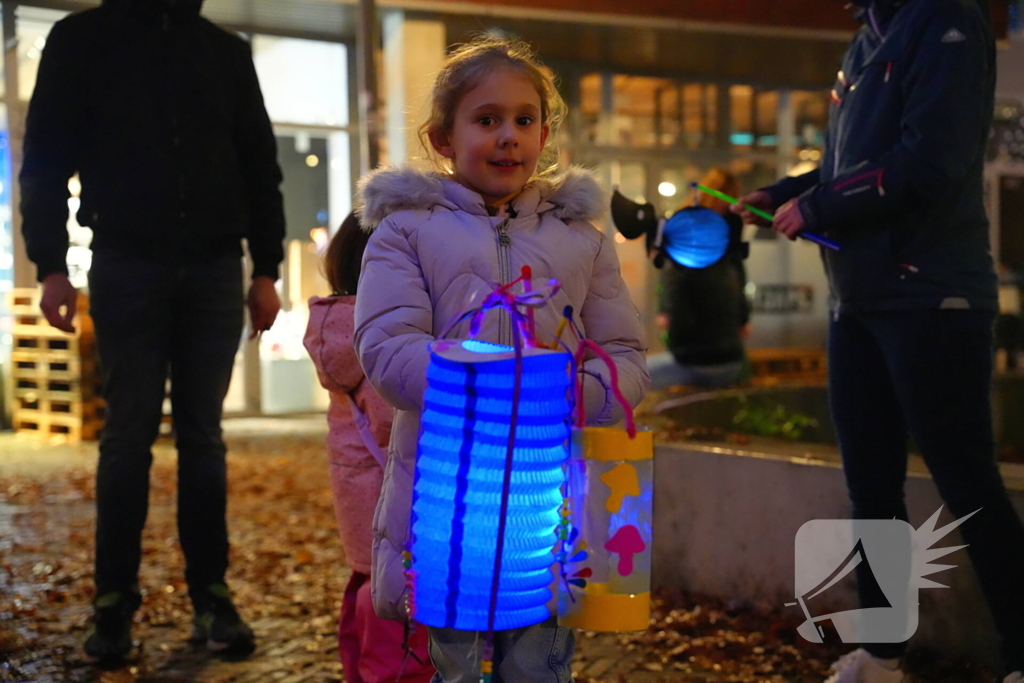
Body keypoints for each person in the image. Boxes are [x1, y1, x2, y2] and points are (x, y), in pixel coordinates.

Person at [733, 1, 1024, 681]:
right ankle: (884, 652)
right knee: (871, 487)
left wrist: (818, 205)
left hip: (931, 298)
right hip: (857, 300)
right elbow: (850, 167)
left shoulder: (947, 20)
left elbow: (932, 161)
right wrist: (782, 193)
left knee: (967, 482)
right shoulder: (868, 35)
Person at [353, 35, 650, 683]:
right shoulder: (406, 233)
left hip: (551, 499)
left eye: (523, 119)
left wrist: (573, 392)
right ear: (442, 137)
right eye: (486, 120)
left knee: (541, 662)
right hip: (452, 494)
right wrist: (491, 384)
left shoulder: (581, 241)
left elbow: (624, 354)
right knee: (455, 665)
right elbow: (387, 346)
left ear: (544, 134)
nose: (508, 136)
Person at [20, 0, 285, 665]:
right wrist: (50, 265)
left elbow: (259, 162)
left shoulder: (224, 52)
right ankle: (114, 601)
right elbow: (45, 158)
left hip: (214, 264)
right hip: (126, 259)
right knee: (128, 437)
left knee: (202, 438)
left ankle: (211, 596)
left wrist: (267, 267)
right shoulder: (82, 40)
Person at [303, 213, 435, 683]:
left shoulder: (337, 326)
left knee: (365, 586)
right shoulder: (383, 333)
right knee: (398, 619)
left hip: (359, 499)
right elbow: (393, 422)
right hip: (394, 499)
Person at [648, 167, 751, 390]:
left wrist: (670, 322)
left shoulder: (689, 242)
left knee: (628, 380)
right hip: (728, 355)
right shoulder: (726, 243)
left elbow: (676, 295)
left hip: (700, 357)